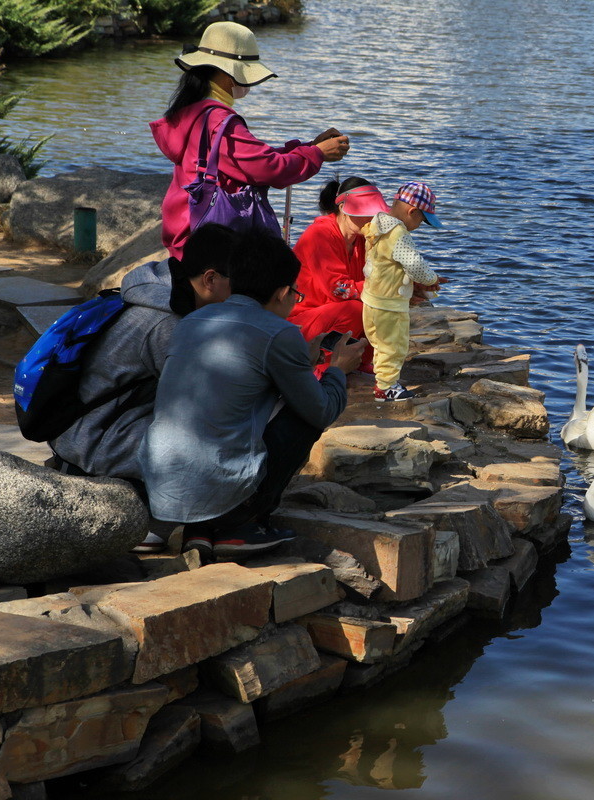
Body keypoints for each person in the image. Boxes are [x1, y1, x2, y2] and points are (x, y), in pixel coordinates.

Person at [140, 231, 366, 560]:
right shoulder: (280, 332)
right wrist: (337, 370)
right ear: (283, 292)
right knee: (303, 414)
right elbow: (320, 410)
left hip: (163, 492)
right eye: (296, 295)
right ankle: (243, 523)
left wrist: (302, 360)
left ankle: (200, 530)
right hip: (223, 494)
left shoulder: (191, 321)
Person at [48, 224, 237, 553]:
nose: (243, 296)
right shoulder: (169, 324)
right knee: (219, 441)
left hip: (78, 426)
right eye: (240, 285)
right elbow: (208, 403)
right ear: (210, 279)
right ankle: (154, 523)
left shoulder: (158, 285)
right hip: (95, 440)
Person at [151, 21, 350, 258]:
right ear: (228, 75)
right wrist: (317, 154)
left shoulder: (192, 111)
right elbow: (268, 168)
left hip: (187, 224)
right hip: (209, 238)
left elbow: (247, 160)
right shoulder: (219, 122)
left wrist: (309, 147)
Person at [361, 181, 446, 403]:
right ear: (412, 211)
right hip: (389, 304)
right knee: (394, 346)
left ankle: (382, 379)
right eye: (422, 220)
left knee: (380, 343)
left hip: (371, 299)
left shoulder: (378, 224)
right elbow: (415, 264)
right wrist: (432, 279)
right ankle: (386, 388)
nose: (419, 226)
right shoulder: (399, 234)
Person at [290, 177, 378, 372]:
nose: (370, 218)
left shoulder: (362, 239)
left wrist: (410, 285)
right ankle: (324, 368)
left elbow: (381, 273)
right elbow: (339, 290)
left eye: (372, 212)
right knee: (356, 309)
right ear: (343, 210)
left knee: (383, 306)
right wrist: (383, 287)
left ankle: (360, 362)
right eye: (363, 212)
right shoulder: (319, 234)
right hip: (297, 324)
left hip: (327, 317)